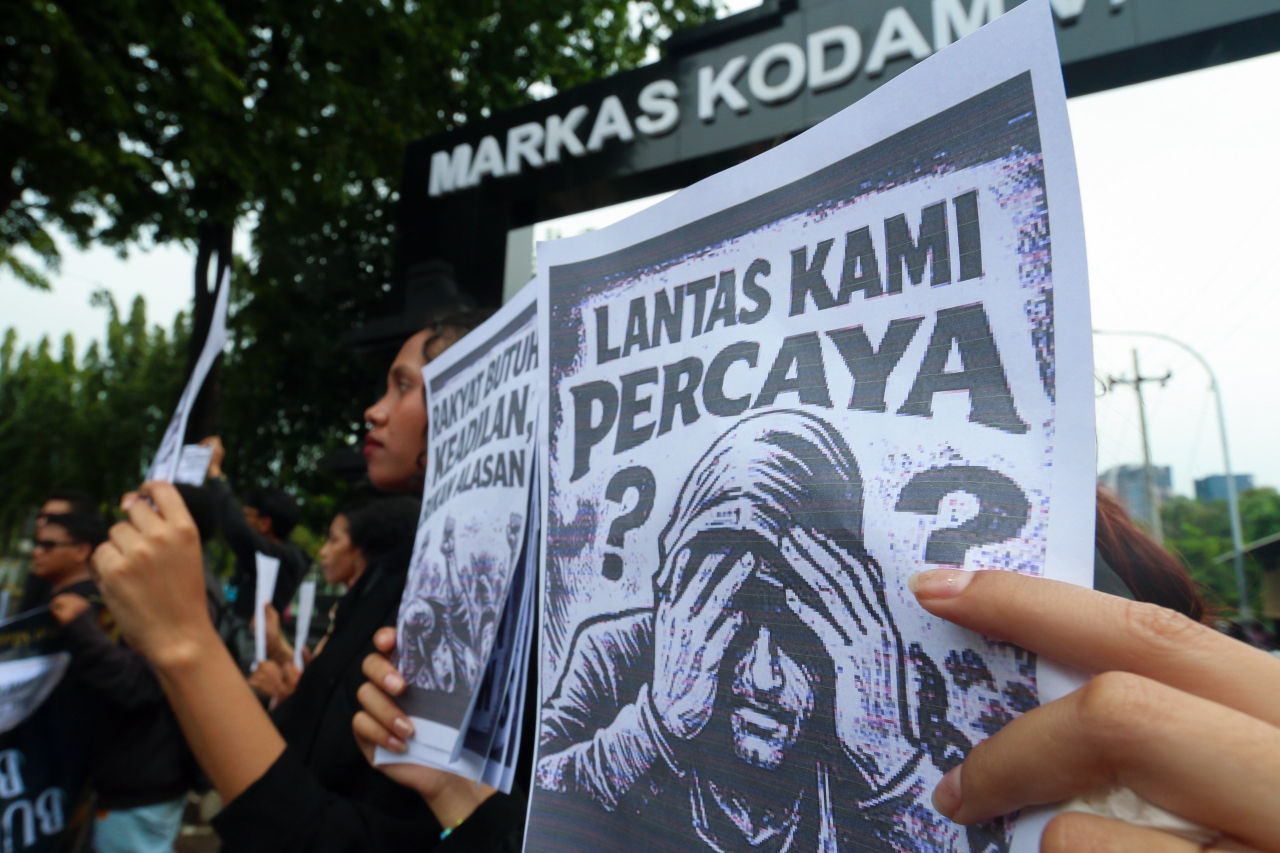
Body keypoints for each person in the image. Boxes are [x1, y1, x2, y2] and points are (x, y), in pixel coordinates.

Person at [92, 314, 525, 853]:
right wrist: (311, 694)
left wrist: (184, 640)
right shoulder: (400, 568)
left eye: (405, 384)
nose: (374, 410)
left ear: (476, 398)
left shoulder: (500, 599)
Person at [251, 498, 419, 706]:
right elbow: (317, 679)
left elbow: (321, 702)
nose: (323, 551)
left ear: (360, 550)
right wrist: (276, 645)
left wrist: (284, 694)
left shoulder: (371, 630)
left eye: (334, 540)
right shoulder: (347, 612)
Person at [200, 436, 309, 630]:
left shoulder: (285, 558)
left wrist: (215, 473)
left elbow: (238, 530)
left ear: (265, 523)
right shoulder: (253, 562)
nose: (241, 520)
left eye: (246, 515)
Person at [19, 489, 98, 611]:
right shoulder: (40, 583)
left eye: (53, 518)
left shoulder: (94, 601)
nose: (41, 523)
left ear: (81, 550)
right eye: (40, 516)